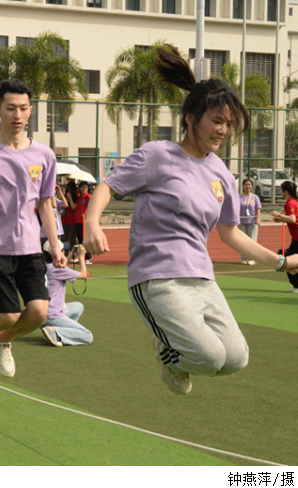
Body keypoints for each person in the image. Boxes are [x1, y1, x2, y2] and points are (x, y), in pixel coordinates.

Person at [83, 45, 298, 395]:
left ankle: (171, 347)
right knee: (209, 357)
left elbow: (231, 234)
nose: (223, 130)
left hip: (201, 276)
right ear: (190, 118)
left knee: (236, 358)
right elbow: (108, 185)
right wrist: (92, 223)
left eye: (229, 124)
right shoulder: (157, 155)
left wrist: (281, 262)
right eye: (216, 121)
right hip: (157, 277)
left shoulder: (222, 174)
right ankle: (167, 350)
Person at [0, 79, 65, 378]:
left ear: (30, 110)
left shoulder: (44, 155)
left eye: (23, 108)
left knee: (39, 313)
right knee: (8, 314)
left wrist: (56, 245)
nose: (17, 115)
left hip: (30, 247)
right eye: (10, 108)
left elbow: (45, 204)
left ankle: (2, 341)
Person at [40, 245, 93, 347]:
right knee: (88, 336)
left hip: (42, 315)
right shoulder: (59, 270)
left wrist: (69, 256)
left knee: (78, 306)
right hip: (53, 315)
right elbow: (83, 275)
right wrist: (81, 257)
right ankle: (56, 332)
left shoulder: (43, 267)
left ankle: (57, 331)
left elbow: (59, 267)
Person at [270, 181, 298, 293]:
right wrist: (280, 219)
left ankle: (297, 285)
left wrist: (279, 215)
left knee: (287, 261)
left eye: (281, 189)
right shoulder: (293, 202)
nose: (280, 191)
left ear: (285, 191)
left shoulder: (290, 203)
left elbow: (292, 219)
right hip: (295, 237)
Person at [238, 178, 261, 265]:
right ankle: (243, 258)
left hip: (252, 222)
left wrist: (258, 219)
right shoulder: (239, 197)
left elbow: (258, 209)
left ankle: (252, 259)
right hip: (241, 222)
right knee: (242, 241)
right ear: (243, 186)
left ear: (251, 186)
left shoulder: (255, 197)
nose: (247, 186)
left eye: (249, 185)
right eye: (245, 185)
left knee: (252, 241)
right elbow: (236, 209)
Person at [69, 181, 92, 265]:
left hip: (84, 222)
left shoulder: (88, 197)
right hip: (78, 221)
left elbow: (92, 207)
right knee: (80, 241)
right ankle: (82, 258)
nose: (84, 189)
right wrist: (69, 198)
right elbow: (73, 207)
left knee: (85, 240)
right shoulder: (79, 198)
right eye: (82, 187)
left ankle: (88, 258)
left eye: (86, 187)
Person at [61, 180, 79, 254]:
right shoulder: (64, 196)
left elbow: (73, 207)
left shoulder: (77, 197)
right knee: (64, 238)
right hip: (64, 220)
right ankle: (65, 253)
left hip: (72, 220)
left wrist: (70, 198)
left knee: (71, 238)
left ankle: (72, 254)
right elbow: (63, 205)